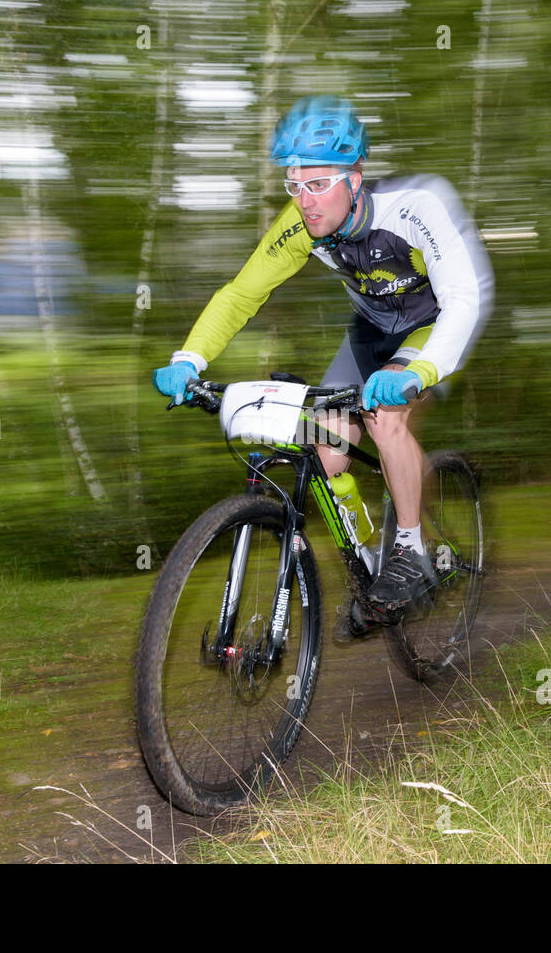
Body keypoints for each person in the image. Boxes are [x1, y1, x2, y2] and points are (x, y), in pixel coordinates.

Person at [153, 95, 494, 616]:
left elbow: (463, 299)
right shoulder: (300, 227)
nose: (305, 200)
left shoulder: (414, 208)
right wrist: (189, 358)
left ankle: (411, 549)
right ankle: (367, 559)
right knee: (324, 448)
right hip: (372, 331)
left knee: (384, 419)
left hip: (434, 326)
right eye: (294, 185)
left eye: (317, 184)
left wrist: (419, 370)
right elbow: (241, 294)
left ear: (354, 179)